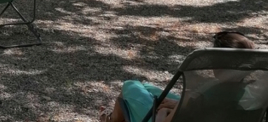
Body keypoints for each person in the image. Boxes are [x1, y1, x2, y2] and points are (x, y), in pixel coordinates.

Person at [99, 31, 257, 122]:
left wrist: (165, 111)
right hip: (196, 112)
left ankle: (111, 119)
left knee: (130, 85)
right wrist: (179, 104)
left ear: (216, 63)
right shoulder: (254, 91)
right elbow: (206, 109)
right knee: (146, 87)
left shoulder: (208, 92)